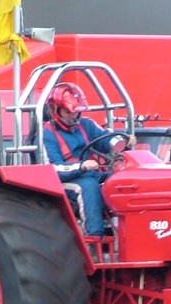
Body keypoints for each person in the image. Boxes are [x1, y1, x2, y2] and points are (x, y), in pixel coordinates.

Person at [42, 82, 135, 242]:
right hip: (61, 181)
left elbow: (104, 139)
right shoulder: (46, 134)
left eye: (76, 112)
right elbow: (52, 170)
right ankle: (94, 238)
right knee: (88, 187)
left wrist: (122, 141)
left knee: (119, 180)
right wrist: (81, 166)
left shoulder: (86, 125)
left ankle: (130, 234)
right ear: (55, 109)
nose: (73, 116)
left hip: (90, 174)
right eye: (68, 112)